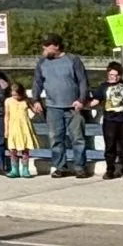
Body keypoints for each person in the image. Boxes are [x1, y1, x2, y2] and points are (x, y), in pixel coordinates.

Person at [32, 35, 91, 177]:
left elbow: (83, 81)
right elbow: (37, 82)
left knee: (77, 138)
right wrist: (36, 99)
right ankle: (60, 167)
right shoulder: (42, 62)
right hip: (53, 107)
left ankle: (80, 167)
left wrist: (81, 100)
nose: (44, 48)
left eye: (47, 45)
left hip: (73, 106)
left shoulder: (73, 60)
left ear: (56, 46)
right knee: (55, 138)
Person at [97, 62, 123, 179]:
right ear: (107, 74)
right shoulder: (102, 86)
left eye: (116, 75)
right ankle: (110, 169)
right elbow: (95, 100)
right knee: (110, 146)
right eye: (111, 75)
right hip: (109, 120)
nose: (114, 77)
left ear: (120, 75)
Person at [5, 77, 38, 177]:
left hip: (24, 126)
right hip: (13, 127)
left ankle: (25, 169)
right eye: (13, 94)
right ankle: (14, 169)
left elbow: (34, 111)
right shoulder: (8, 101)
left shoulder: (26, 101)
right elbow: (7, 115)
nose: (15, 96)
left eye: (17, 94)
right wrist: (6, 129)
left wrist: (37, 107)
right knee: (12, 149)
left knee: (25, 149)